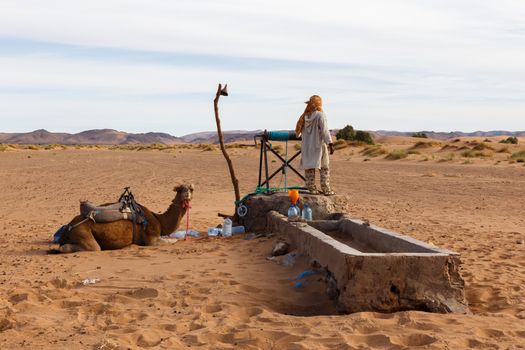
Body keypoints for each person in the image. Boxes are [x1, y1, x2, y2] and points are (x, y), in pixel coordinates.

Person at [295, 95, 335, 195]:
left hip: (307, 146)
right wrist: (330, 143)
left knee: (309, 167)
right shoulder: (320, 115)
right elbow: (325, 131)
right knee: (324, 167)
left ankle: (311, 188)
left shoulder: (305, 116)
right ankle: (326, 189)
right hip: (318, 146)